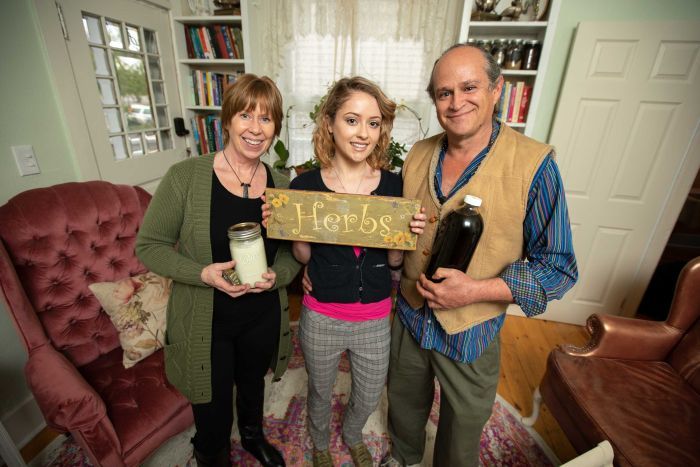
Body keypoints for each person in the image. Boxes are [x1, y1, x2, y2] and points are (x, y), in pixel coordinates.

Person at [380, 44, 578, 467]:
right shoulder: (416, 155)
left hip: (471, 329)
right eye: (444, 92)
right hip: (411, 315)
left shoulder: (534, 164)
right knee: (403, 402)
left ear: (496, 89)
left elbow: (559, 265)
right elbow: (394, 231)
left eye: (469, 87)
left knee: (463, 428)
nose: (456, 103)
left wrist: (477, 291)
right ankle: (404, 457)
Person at [136, 74, 301, 467]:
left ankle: (251, 436)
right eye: (246, 115)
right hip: (206, 320)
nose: (256, 128)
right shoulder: (186, 177)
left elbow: (293, 255)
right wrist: (203, 274)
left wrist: (278, 275)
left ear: (276, 127)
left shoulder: (282, 183)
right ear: (227, 120)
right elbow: (149, 246)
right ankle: (211, 452)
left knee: (251, 386)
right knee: (210, 406)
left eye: (266, 119)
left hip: (261, 315)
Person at [284, 77, 426, 467]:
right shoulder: (305, 186)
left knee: (367, 393)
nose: (363, 133)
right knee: (319, 389)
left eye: (374, 123)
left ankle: (351, 434)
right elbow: (301, 255)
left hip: (375, 317)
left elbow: (395, 264)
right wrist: (293, 228)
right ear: (329, 123)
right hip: (322, 315)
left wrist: (404, 236)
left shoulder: (396, 186)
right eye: (352, 120)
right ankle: (318, 444)